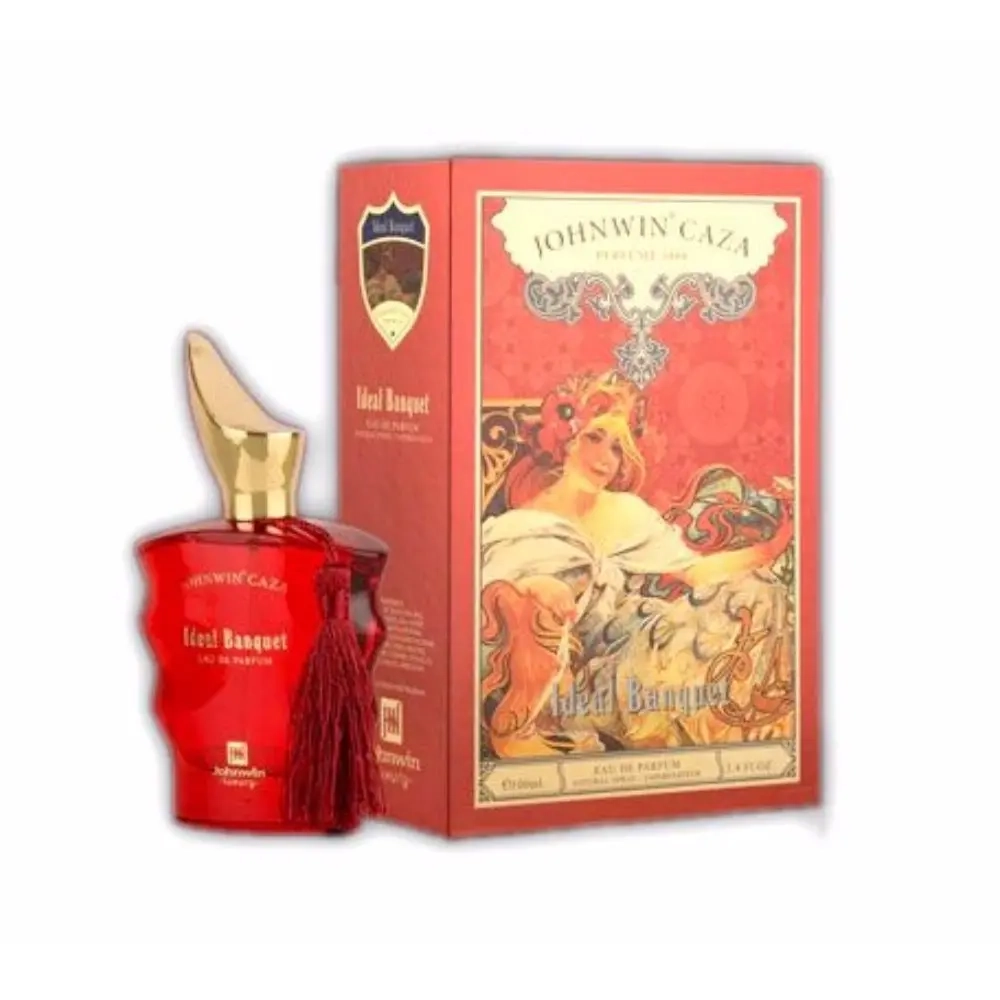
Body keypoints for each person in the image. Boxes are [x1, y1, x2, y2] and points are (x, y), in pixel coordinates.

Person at [480, 370, 794, 758]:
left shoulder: (628, 511)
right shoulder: (516, 525)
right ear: (565, 440)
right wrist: (536, 588)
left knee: (761, 592)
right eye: (594, 437)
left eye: (618, 448)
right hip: (582, 677)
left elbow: (695, 572)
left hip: (638, 635)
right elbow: (488, 599)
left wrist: (769, 550)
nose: (604, 459)